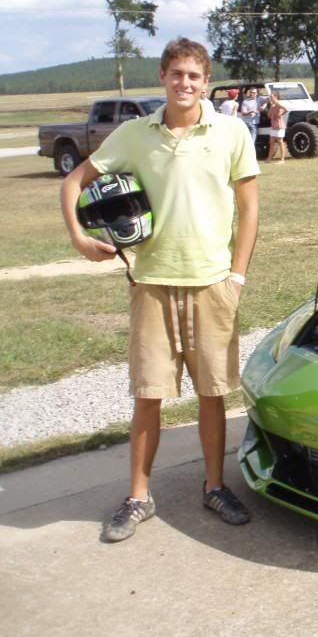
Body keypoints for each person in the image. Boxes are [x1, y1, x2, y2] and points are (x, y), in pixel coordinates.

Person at [59, 37, 260, 543]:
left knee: (213, 395)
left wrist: (237, 276)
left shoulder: (232, 132)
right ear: (164, 78)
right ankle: (138, 497)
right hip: (150, 284)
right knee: (148, 396)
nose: (185, 83)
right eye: (176, 74)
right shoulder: (134, 134)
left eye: (194, 75)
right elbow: (74, 182)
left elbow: (250, 209)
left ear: (206, 81)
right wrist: (80, 238)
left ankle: (214, 486)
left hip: (213, 285)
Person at [264, 91, 288, 163]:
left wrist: (280, 114)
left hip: (279, 126)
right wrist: (271, 107)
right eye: (270, 96)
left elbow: (286, 109)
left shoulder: (278, 103)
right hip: (273, 126)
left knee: (280, 142)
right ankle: (269, 159)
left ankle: (282, 159)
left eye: (272, 96)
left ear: (276, 97)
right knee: (271, 143)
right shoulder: (273, 105)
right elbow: (268, 115)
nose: (270, 98)